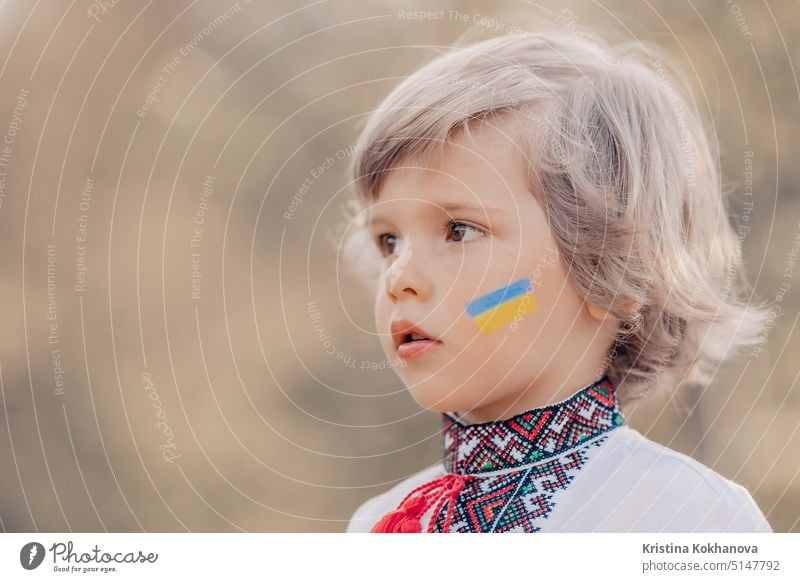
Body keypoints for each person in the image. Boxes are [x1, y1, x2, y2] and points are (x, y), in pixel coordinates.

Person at [340, 25, 772, 533]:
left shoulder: (687, 516)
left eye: (459, 230)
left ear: (611, 269)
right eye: (389, 240)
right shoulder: (382, 525)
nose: (399, 277)